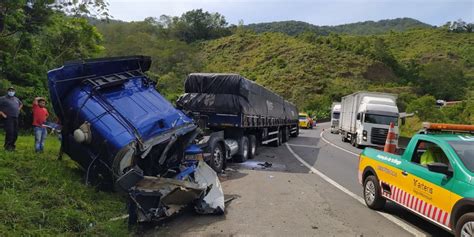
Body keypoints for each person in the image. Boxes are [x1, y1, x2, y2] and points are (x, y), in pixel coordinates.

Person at [0, 87, 23, 151]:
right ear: (7, 91)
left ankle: (12, 146)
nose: (11, 91)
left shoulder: (16, 99)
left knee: (15, 133)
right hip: (8, 117)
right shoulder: (3, 98)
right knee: (10, 132)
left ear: (14, 91)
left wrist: (18, 109)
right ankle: (7, 147)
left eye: (12, 90)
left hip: (15, 117)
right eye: (10, 90)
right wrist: (2, 113)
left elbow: (21, 104)